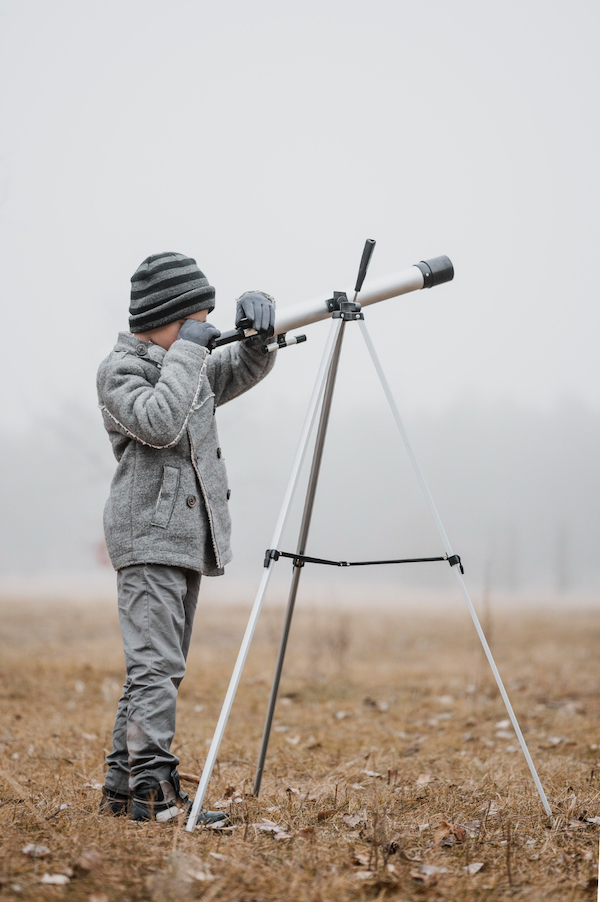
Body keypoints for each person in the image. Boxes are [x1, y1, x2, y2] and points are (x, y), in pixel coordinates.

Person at [96, 252, 276, 823]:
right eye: (196, 320)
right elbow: (161, 420)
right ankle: (154, 793)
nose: (205, 331)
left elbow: (238, 372)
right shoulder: (120, 373)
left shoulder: (186, 365)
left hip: (181, 541)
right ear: (168, 319)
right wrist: (193, 349)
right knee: (154, 668)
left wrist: (257, 338)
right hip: (147, 539)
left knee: (159, 666)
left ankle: (123, 790)